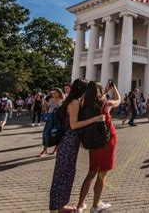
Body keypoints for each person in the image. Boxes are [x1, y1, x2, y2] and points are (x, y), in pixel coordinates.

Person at [49, 78, 106, 213]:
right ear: (82, 89)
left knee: (64, 174)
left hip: (68, 143)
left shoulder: (71, 100)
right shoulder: (74, 102)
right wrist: (95, 119)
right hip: (68, 143)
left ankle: (58, 205)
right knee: (64, 174)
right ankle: (59, 207)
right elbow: (74, 125)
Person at [76, 81, 121, 213]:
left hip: (93, 142)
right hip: (107, 140)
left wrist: (105, 92)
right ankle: (96, 205)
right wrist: (114, 89)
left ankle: (80, 205)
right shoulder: (105, 104)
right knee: (102, 174)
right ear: (99, 92)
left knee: (91, 173)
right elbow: (118, 101)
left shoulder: (85, 105)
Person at [39, 88, 65, 157]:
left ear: (59, 93)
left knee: (56, 134)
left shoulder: (63, 101)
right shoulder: (50, 99)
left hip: (57, 119)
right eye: (52, 93)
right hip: (50, 118)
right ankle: (45, 150)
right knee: (46, 133)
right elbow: (46, 109)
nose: (53, 94)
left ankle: (55, 150)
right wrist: (44, 105)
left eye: (55, 93)